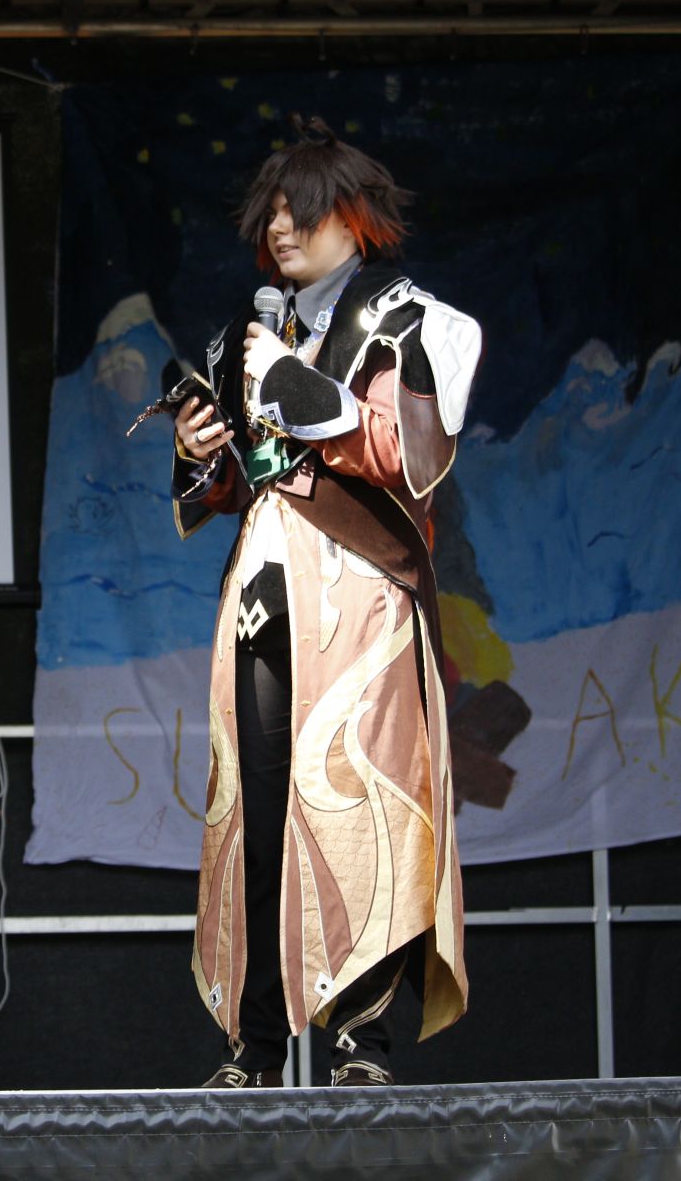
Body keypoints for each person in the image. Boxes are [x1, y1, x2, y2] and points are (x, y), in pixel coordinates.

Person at [170, 116, 480, 1088]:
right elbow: (232, 484)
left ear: (355, 219)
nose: (280, 230)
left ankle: (361, 1043)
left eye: (299, 211)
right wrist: (199, 451)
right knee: (257, 814)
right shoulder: (248, 332)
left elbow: (408, 457)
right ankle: (257, 1045)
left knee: (360, 800)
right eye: (269, 214)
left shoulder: (416, 321)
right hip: (264, 592)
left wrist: (298, 388)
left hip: (364, 593)